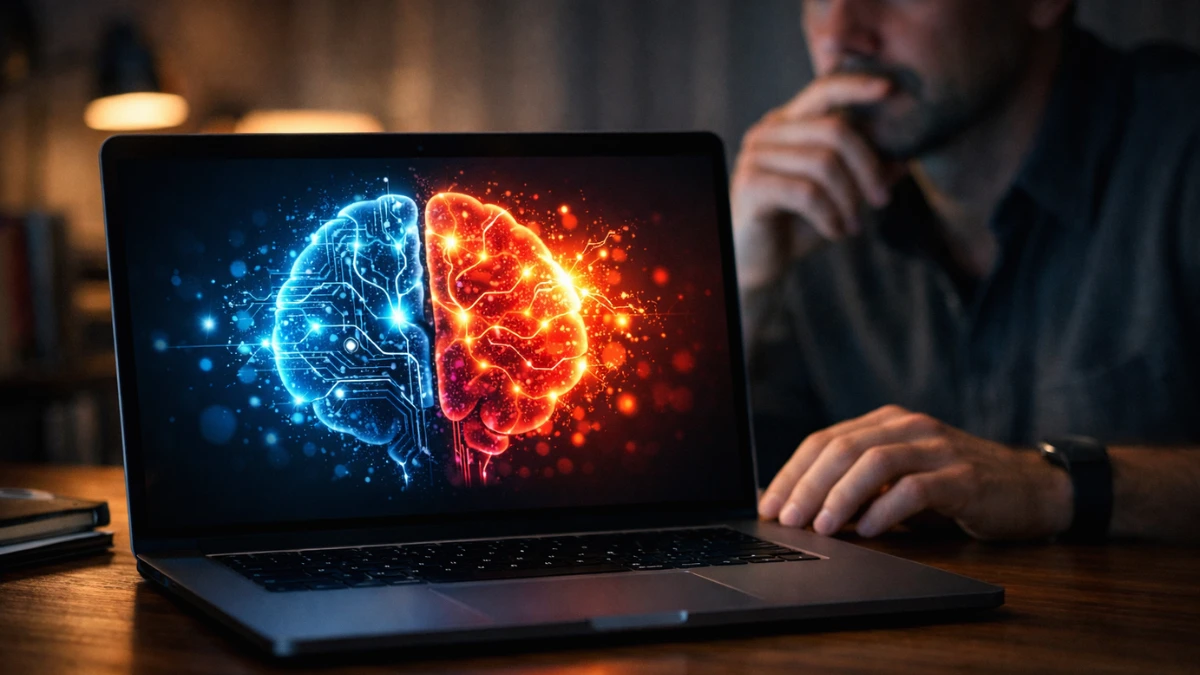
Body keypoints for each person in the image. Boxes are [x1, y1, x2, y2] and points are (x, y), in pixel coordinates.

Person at [734, 0, 1200, 541]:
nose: (840, 35)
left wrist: (1049, 488)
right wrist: (737, 290)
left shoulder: (1181, 150)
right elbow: (718, 498)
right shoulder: (806, 210)